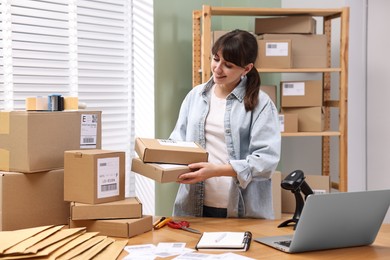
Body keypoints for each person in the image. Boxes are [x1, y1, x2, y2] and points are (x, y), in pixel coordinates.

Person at [169, 29, 281, 219]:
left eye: (228, 65)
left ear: (247, 69)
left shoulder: (261, 104)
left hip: (241, 208)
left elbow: (266, 160)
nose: (217, 68)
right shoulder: (195, 96)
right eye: (216, 59)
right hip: (193, 205)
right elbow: (178, 140)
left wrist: (216, 171)